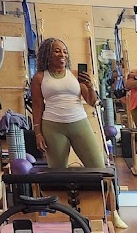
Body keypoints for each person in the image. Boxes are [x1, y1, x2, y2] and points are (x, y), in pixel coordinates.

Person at [30, 38, 106, 170]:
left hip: (79, 123)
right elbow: (37, 107)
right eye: (57, 51)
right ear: (47, 54)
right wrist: (38, 134)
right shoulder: (39, 77)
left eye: (65, 52)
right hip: (52, 127)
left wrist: (90, 86)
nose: (62, 55)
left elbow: (92, 102)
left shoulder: (75, 75)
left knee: (98, 168)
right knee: (58, 173)